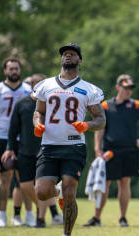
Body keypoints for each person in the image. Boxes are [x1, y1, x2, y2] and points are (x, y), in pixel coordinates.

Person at [33, 43, 106, 236]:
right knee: (41, 192)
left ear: (79, 60)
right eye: (65, 54)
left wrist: (87, 125)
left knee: (70, 191)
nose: (67, 56)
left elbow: (101, 120)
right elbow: (38, 112)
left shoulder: (89, 89)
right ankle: (56, 191)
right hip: (49, 146)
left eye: (72, 54)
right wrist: (37, 124)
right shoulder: (46, 85)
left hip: (74, 146)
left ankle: (67, 234)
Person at [84, 74, 139, 227]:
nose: (129, 91)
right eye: (126, 87)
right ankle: (97, 218)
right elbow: (100, 128)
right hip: (110, 150)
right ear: (118, 87)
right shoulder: (106, 106)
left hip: (130, 150)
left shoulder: (136, 105)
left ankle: (123, 218)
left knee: (125, 182)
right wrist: (97, 148)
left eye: (130, 88)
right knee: (104, 183)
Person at [2, 73, 63, 228]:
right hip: (25, 151)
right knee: (24, 186)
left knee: (41, 186)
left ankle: (40, 219)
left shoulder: (51, 104)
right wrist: (10, 149)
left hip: (45, 151)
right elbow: (13, 129)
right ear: (33, 86)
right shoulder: (21, 104)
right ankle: (49, 207)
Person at [0, 58, 32, 227]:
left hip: (22, 139)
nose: (14, 71)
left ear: (20, 70)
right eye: (11, 69)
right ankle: (1, 215)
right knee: (4, 178)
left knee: (25, 179)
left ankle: (25, 215)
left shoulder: (28, 90)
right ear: (5, 71)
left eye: (16, 68)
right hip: (2, 137)